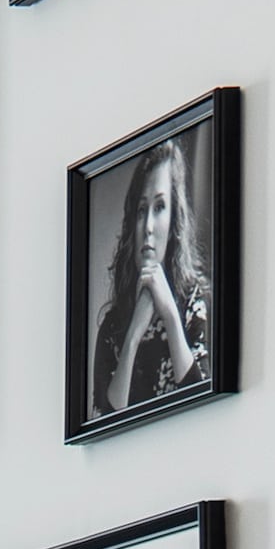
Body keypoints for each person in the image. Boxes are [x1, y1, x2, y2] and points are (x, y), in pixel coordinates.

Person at [91, 141, 208, 418]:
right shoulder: (111, 326)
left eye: (159, 207)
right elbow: (107, 417)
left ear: (174, 221)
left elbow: (203, 400)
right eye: (142, 211)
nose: (149, 227)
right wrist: (132, 335)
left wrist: (169, 314)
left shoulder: (198, 304)